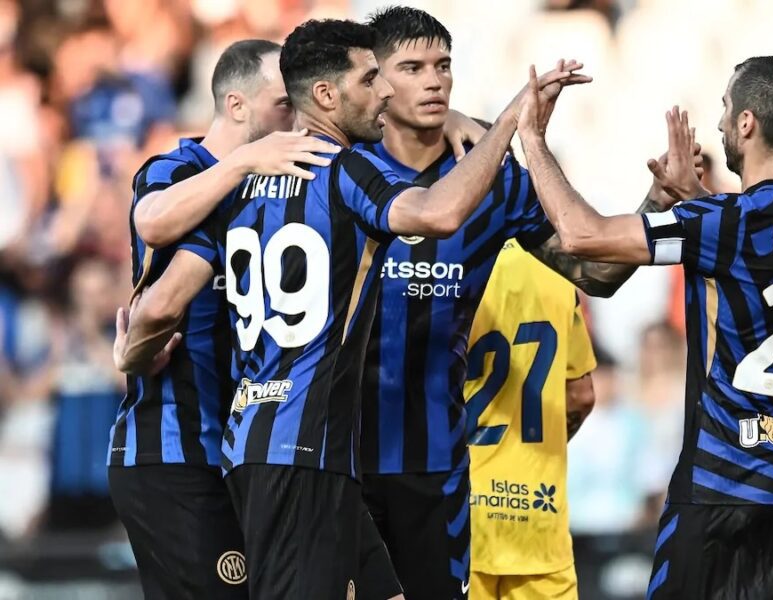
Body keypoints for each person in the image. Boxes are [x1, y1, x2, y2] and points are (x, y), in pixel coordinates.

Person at [113, 18, 582, 599]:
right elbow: (437, 213)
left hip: (261, 441)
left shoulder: (233, 187)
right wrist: (509, 122)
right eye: (370, 80)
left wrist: (130, 354)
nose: (384, 92)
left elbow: (160, 302)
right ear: (327, 96)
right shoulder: (344, 169)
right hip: (297, 446)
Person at [359, 8, 692, 597]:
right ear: (375, 81)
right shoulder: (343, 169)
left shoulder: (497, 184)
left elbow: (595, 273)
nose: (434, 81)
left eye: (443, 66)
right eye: (413, 68)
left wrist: (655, 205)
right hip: (348, 462)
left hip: (438, 475)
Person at [514, 56, 773, 598]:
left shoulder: (722, 223)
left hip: (723, 487)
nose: (720, 123)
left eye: (725, 108)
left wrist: (533, 139)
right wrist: (693, 195)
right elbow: (754, 247)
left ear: (747, 122)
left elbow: (583, 236)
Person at [107, 39, 338, 600]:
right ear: (237, 105)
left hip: (244, 451)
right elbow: (152, 222)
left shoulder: (280, 187)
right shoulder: (176, 168)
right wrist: (241, 163)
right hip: (172, 445)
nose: (295, 117)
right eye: (283, 103)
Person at [464, 238, 597, 600]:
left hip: (460, 516)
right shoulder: (555, 265)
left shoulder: (451, 258)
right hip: (539, 516)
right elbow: (581, 395)